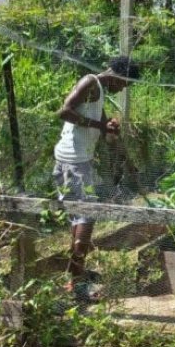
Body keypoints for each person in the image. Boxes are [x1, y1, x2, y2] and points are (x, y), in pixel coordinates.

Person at [53, 56, 139, 300]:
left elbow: (103, 127)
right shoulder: (91, 82)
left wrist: (108, 127)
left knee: (78, 221)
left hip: (76, 161)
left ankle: (75, 277)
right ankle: (76, 284)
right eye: (124, 84)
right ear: (117, 75)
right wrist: (96, 125)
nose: (122, 89)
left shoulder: (98, 92)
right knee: (87, 219)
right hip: (74, 162)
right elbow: (65, 111)